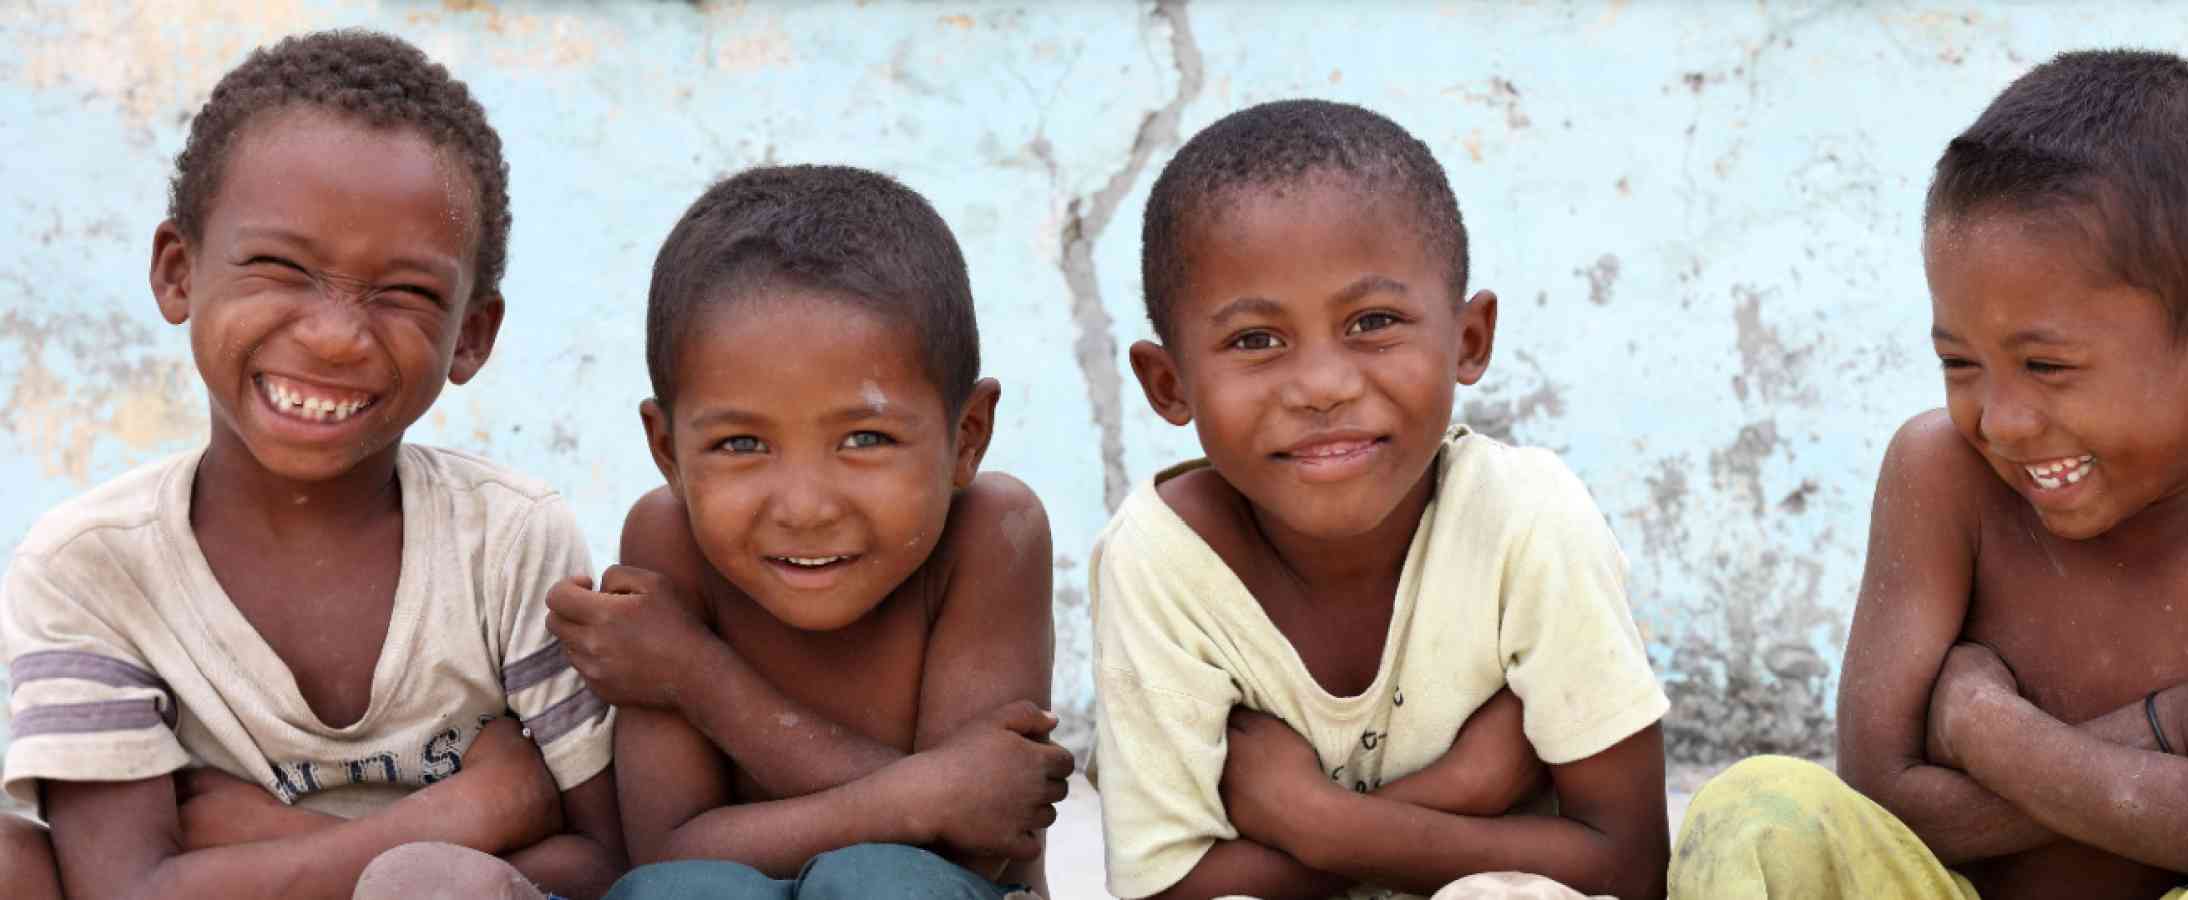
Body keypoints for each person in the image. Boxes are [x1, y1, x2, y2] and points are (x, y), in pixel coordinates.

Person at [1669, 49, 2188, 900]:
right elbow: (1882, 795)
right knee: (1755, 808)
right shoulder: (1941, 471)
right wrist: (2184, 727)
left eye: (2047, 366)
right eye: (1959, 361)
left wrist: (1985, 726)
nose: (1999, 420)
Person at [0, 30, 622, 900]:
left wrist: (262, 842)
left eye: (404, 292)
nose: (333, 334)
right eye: (280, 267)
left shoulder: (508, 541)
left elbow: (606, 865)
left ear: (471, 336)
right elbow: (126, 891)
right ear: (179, 274)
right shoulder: (91, 569)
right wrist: (470, 811)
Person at [1091, 98, 1672, 900]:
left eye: (1373, 321)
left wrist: (1315, 820)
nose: (1323, 386)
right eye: (1256, 340)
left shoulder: (1529, 521)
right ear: (1169, 383)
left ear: (1469, 341)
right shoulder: (1159, 562)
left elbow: (1629, 864)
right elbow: (1168, 887)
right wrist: (1459, 791)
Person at [542, 164, 1072, 900]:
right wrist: (922, 796)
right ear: (667, 449)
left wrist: (696, 676)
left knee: (883, 883)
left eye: (864, 439)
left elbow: (974, 844)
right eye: (739, 445)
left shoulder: (992, 533)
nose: (805, 507)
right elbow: (667, 852)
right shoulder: (668, 540)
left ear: (967, 435)